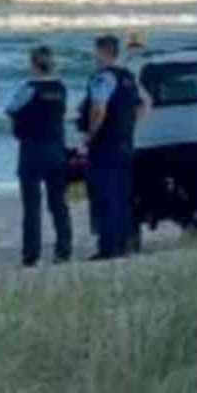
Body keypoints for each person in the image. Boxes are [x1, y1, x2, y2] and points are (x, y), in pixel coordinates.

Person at [7, 45, 71, 267]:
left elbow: (11, 110)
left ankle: (31, 253)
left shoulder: (29, 88)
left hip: (32, 149)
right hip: (56, 147)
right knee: (58, 203)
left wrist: (18, 129)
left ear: (33, 64)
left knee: (32, 205)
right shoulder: (61, 89)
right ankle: (63, 249)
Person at [82, 34, 144, 261]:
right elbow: (145, 104)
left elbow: (99, 108)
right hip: (125, 142)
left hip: (105, 144)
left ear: (103, 52)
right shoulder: (128, 77)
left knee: (105, 194)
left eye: (95, 51)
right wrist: (130, 127)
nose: (93, 56)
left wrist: (90, 134)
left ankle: (108, 247)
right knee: (121, 194)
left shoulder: (103, 78)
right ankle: (124, 243)